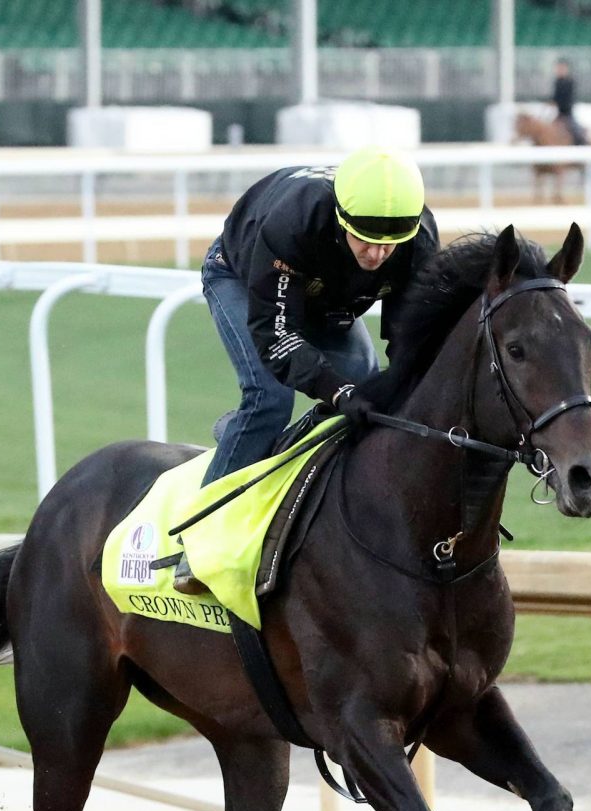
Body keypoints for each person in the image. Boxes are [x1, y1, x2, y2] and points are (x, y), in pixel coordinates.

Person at [173, 145, 440, 593]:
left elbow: (410, 338)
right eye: (364, 240)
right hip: (243, 278)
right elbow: (275, 335)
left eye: (388, 245)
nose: (376, 255)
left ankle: (322, 513)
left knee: (368, 394)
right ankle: (199, 541)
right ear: (341, 220)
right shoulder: (293, 221)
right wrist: (337, 391)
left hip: (328, 297)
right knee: (269, 397)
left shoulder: (419, 242)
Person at [552, 58, 587, 146]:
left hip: (567, 114)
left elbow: (567, 99)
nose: (559, 70)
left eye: (562, 68)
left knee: (577, 133)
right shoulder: (557, 82)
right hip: (559, 114)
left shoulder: (569, 82)